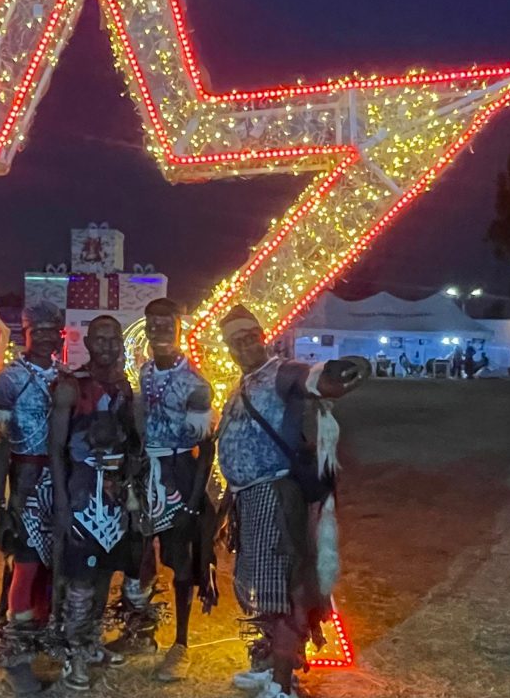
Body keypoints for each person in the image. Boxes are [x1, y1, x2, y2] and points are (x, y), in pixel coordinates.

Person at [217, 304, 370, 698]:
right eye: (236, 342)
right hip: (248, 500)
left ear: (262, 336)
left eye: (250, 337)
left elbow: (312, 380)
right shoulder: (243, 383)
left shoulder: (281, 372)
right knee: (263, 591)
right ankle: (271, 667)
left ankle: (282, 685)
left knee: (284, 591)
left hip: (275, 497)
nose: (245, 346)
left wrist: (335, 374)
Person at [109, 297, 217, 683]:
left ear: (178, 327)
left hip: (178, 477)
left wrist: (192, 502)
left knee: (181, 561)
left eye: (165, 324)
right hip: (144, 478)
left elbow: (206, 448)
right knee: (137, 556)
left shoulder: (195, 383)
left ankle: (180, 645)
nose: (158, 330)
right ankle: (139, 632)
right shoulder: (144, 373)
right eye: (152, 324)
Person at [49, 315, 143, 690]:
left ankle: (90, 643)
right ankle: (73, 655)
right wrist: (61, 503)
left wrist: (131, 480)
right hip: (83, 492)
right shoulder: (71, 386)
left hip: (115, 495)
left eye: (113, 338)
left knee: (104, 573)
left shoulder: (124, 386)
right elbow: (56, 449)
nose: (107, 345)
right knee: (81, 579)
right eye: (99, 339)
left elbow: (131, 441)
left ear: (121, 342)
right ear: (87, 343)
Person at [0, 301, 65, 695]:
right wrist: (1, 505)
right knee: (26, 565)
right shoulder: (8, 379)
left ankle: (44, 646)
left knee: (55, 569)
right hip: (25, 484)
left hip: (63, 484)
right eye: (39, 330)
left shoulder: (67, 377)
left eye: (53, 331)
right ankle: (16, 657)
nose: (47, 337)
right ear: (26, 333)